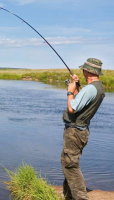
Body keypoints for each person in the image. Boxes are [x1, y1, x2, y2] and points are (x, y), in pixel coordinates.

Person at [61, 58, 105, 200]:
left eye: (83, 69)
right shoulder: (98, 87)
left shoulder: (91, 89)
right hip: (80, 131)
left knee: (71, 166)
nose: (82, 71)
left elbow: (72, 108)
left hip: (75, 132)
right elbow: (83, 100)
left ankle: (80, 198)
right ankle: (69, 196)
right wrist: (77, 84)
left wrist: (69, 91)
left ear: (88, 71)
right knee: (67, 162)